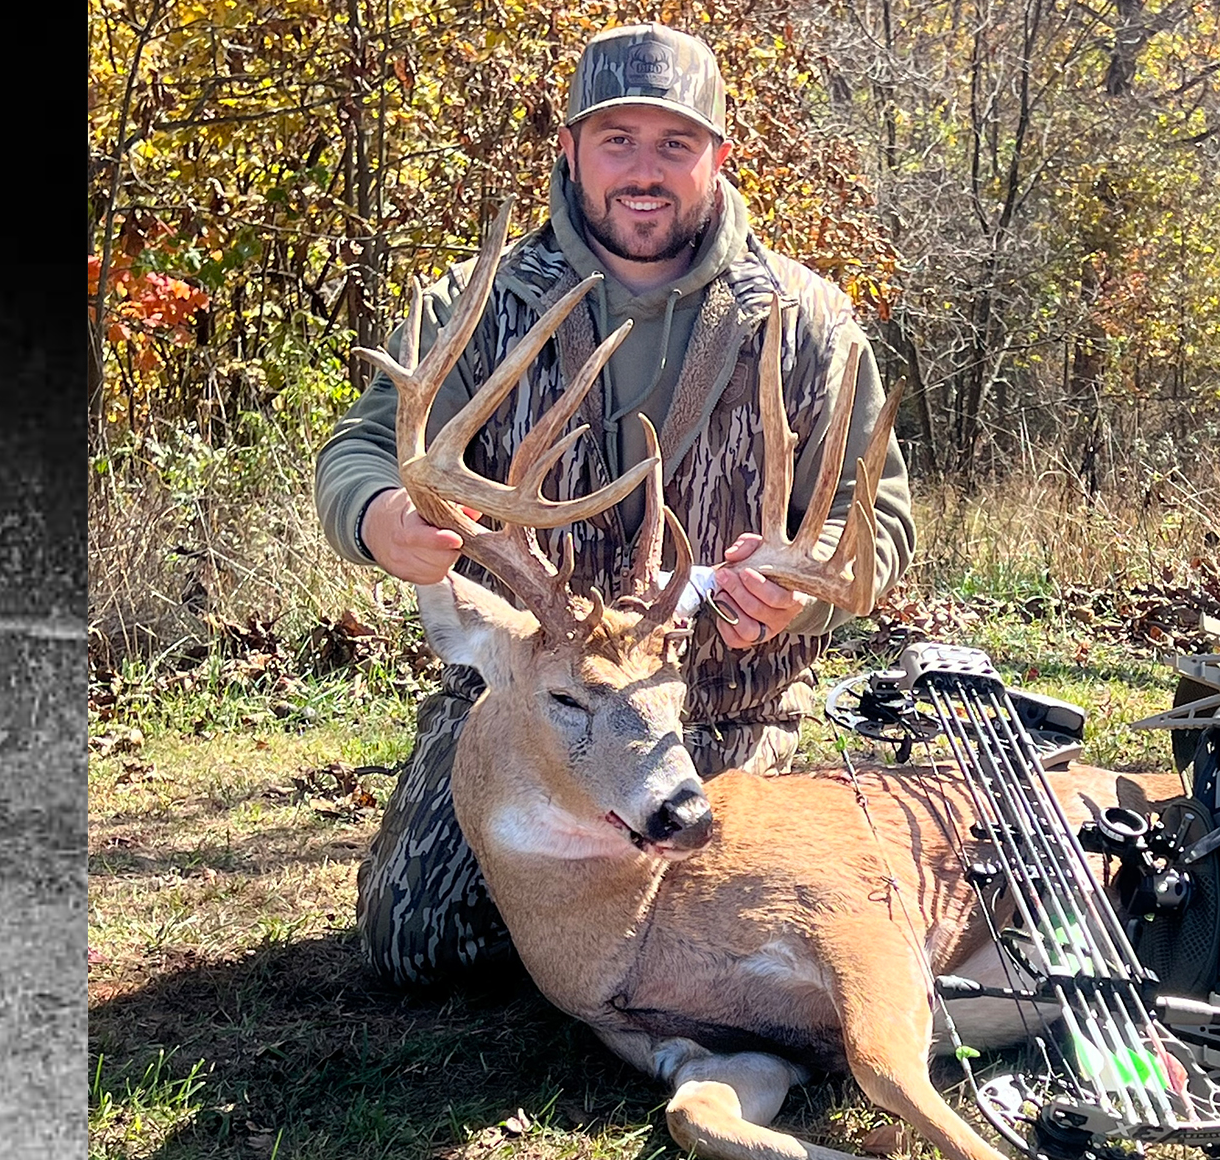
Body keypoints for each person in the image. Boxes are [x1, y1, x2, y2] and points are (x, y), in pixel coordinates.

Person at [313, 23, 917, 990]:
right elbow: (360, 449)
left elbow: (874, 519)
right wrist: (380, 514)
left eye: (675, 145)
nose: (646, 170)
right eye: (618, 140)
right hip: (528, 704)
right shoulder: (478, 303)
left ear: (719, 156)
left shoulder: (807, 322)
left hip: (719, 699)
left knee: (715, 950)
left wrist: (800, 589)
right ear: (571, 149)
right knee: (415, 947)